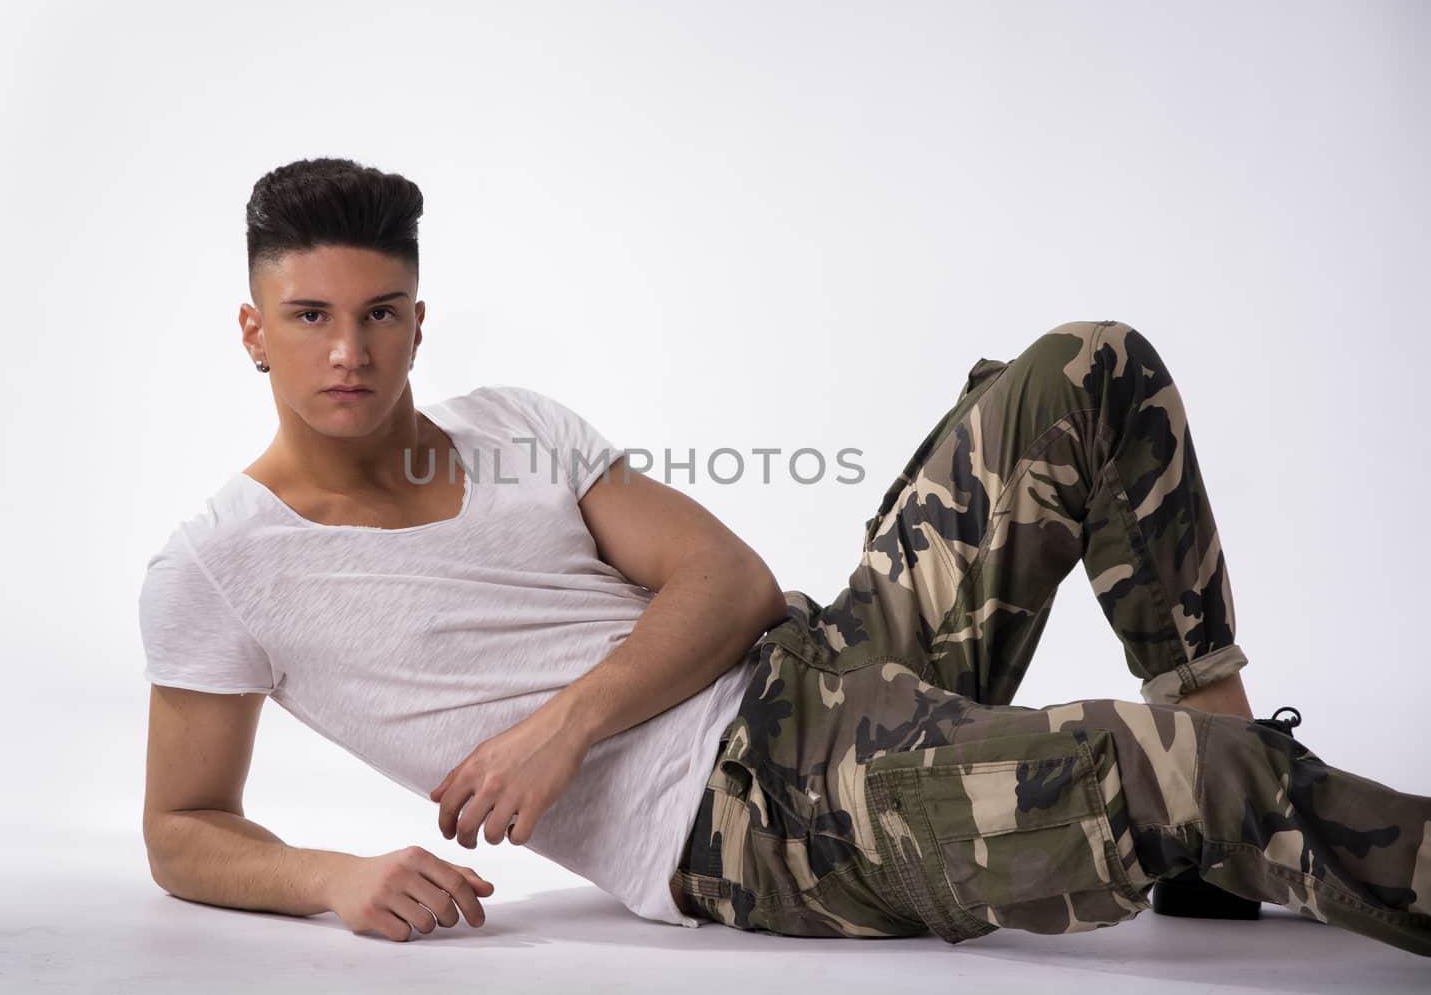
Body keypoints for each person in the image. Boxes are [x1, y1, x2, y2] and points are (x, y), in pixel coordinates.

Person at [140, 158, 1431, 958]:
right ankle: (1246, 800)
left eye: (376, 317)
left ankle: (1217, 778)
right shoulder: (217, 567)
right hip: (754, 828)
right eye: (309, 319)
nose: (347, 353)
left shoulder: (515, 428)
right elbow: (182, 827)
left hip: (819, 663)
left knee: (1090, 369)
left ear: (418, 322)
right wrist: (335, 878)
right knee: (1178, 778)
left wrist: (560, 729)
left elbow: (731, 585)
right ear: (254, 332)